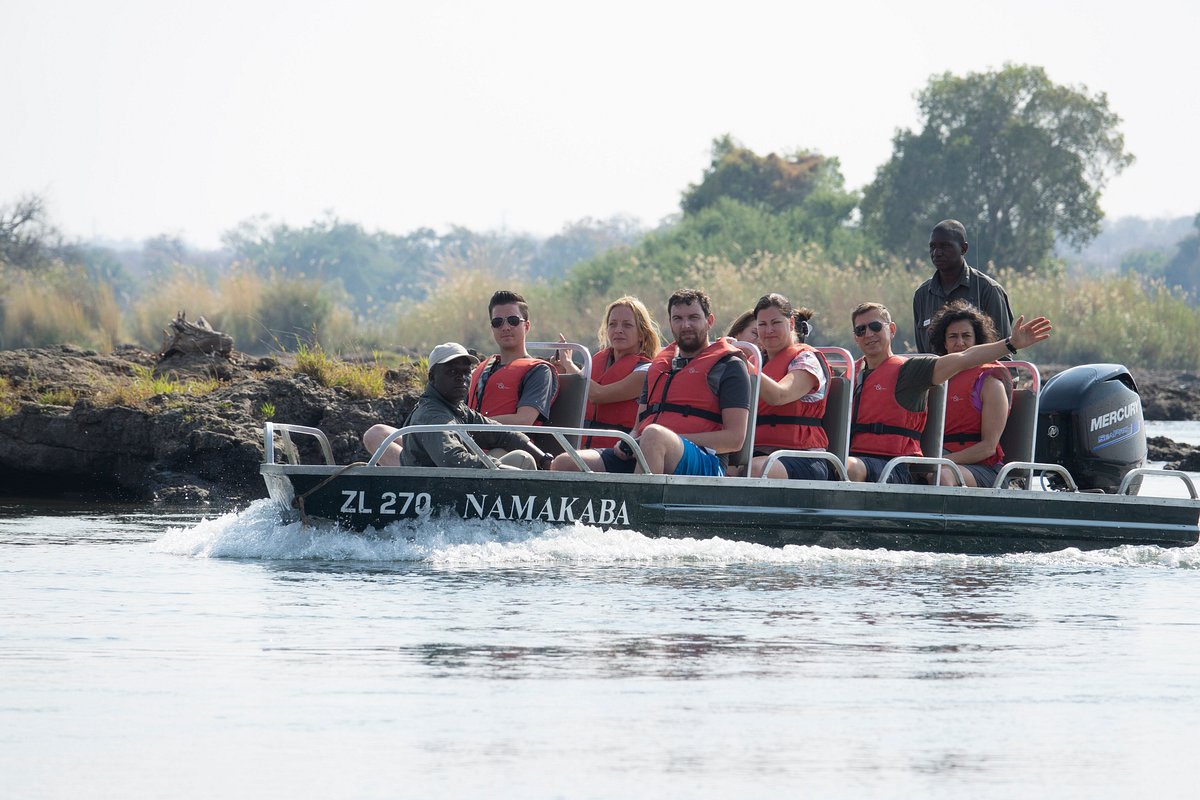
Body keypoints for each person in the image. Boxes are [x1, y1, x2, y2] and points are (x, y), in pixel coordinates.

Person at [551, 288, 751, 476]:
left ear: (709, 321)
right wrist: (629, 441)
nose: (685, 325)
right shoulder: (659, 367)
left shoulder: (730, 366)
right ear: (670, 323)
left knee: (653, 435)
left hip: (706, 460)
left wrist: (658, 441)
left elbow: (735, 439)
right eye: (678, 319)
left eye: (693, 318)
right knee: (565, 463)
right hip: (648, 448)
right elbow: (639, 425)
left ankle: (637, 511)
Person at [847, 302, 1050, 484]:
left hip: (901, 466)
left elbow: (964, 358)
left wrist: (1010, 344)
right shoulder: (851, 372)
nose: (869, 334)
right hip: (872, 458)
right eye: (860, 329)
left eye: (875, 327)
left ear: (891, 330)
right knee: (835, 465)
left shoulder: (913, 371)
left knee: (940, 475)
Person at [362, 343, 554, 470]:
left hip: (447, 485)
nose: (461, 378)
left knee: (510, 451)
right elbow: (452, 460)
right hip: (435, 492)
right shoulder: (433, 415)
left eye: (465, 372)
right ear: (432, 377)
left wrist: (545, 460)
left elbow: (501, 433)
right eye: (452, 371)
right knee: (522, 460)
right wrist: (502, 469)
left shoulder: (456, 408)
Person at [553, 295, 661, 449]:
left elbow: (597, 395)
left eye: (627, 325)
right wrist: (561, 369)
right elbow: (576, 395)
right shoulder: (597, 361)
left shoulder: (645, 371)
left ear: (642, 334)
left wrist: (569, 364)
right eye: (612, 324)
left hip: (616, 450)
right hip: (581, 446)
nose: (618, 330)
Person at [927, 300, 1014, 487]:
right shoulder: (936, 376)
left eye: (966, 336)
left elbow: (988, 447)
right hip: (939, 460)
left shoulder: (990, 383)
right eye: (953, 337)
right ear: (944, 342)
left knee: (941, 476)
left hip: (984, 469)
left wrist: (941, 461)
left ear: (977, 340)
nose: (960, 343)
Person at [745, 294, 831, 480]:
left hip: (802, 457)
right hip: (757, 453)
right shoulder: (756, 360)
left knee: (751, 471)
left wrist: (743, 363)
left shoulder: (806, 359)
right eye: (762, 324)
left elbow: (779, 396)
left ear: (791, 323)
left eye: (775, 323)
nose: (769, 330)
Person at [913, 219, 1014, 354]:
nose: (937, 253)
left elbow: (1004, 352)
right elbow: (923, 355)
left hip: (983, 374)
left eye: (945, 246)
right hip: (938, 375)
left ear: (963, 248)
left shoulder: (989, 290)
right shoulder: (922, 294)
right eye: (933, 246)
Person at [468, 290, 558, 426]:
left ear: (526, 326)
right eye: (498, 322)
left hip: (511, 445)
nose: (505, 327)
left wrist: (472, 424)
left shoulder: (539, 371)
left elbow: (524, 420)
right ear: (492, 328)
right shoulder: (483, 369)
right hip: (470, 442)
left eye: (513, 321)